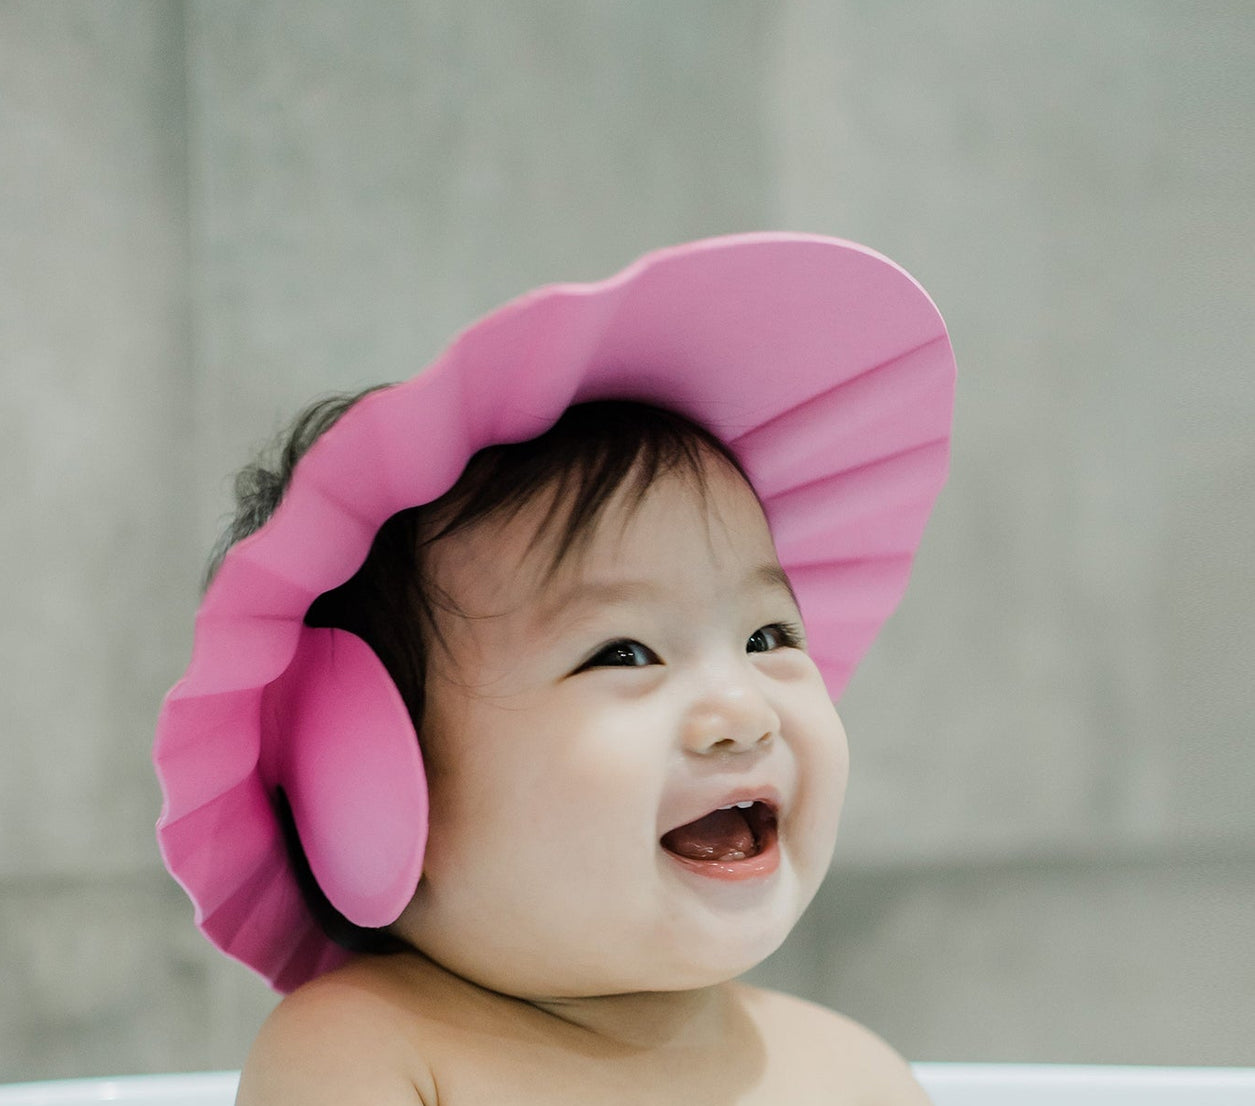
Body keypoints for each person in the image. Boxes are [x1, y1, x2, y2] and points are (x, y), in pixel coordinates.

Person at [154, 233, 956, 1104]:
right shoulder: (367, 1055)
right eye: (622, 652)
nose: (743, 708)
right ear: (372, 787)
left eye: (768, 637)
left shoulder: (851, 1073)